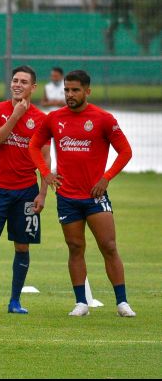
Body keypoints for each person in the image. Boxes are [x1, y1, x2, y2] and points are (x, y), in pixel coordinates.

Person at [29, 69, 135, 317]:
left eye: (75, 90)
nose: (70, 94)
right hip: (67, 197)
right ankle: (81, 303)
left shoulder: (103, 119)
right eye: (67, 90)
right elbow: (34, 145)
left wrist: (106, 178)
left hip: (95, 197)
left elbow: (126, 151)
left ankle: (122, 302)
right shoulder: (54, 118)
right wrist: (45, 173)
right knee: (75, 248)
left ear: (87, 91)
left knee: (108, 246)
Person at [0, 65, 49, 314]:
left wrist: (42, 192)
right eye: (15, 80)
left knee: (22, 246)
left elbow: (45, 158)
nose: (18, 85)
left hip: (27, 191)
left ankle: (15, 301)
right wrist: (15, 116)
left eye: (24, 82)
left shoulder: (41, 119)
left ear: (33, 87)